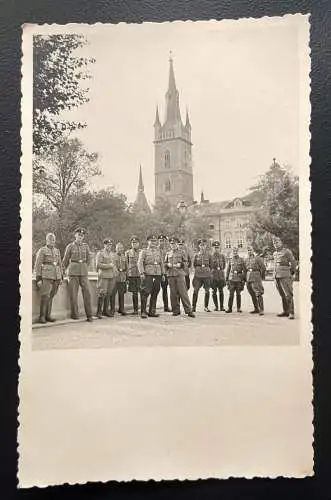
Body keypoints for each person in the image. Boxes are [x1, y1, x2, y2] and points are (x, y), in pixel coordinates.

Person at [62, 227, 93, 322]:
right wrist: (63, 272)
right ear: (75, 235)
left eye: (82, 235)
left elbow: (89, 259)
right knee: (73, 294)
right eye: (79, 235)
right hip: (73, 272)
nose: (80, 237)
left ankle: (89, 315)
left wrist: (84, 267)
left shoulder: (86, 246)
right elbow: (65, 261)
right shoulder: (70, 246)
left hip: (83, 272)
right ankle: (75, 315)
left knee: (87, 293)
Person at [34, 232, 63, 323]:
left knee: (51, 296)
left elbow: (60, 265)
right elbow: (37, 265)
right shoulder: (42, 250)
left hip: (56, 277)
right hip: (46, 276)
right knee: (45, 296)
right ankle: (42, 316)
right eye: (50, 239)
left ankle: (48, 315)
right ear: (46, 240)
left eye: (53, 240)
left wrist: (61, 277)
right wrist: (38, 278)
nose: (52, 241)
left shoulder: (57, 251)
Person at [164, 237, 195, 317]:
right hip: (171, 275)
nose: (172, 245)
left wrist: (181, 264)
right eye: (171, 244)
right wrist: (167, 265)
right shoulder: (168, 253)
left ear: (176, 244)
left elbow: (186, 263)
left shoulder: (182, 252)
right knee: (173, 293)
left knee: (183, 293)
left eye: (174, 243)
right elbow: (164, 264)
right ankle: (175, 310)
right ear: (170, 244)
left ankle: (188, 310)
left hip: (180, 275)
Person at [137, 234, 165, 318]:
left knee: (155, 292)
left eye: (154, 241)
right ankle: (143, 312)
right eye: (151, 241)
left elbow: (161, 263)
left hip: (157, 274)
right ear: (148, 242)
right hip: (148, 274)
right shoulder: (144, 251)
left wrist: (163, 274)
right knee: (145, 292)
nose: (153, 243)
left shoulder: (158, 251)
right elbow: (140, 262)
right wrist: (142, 273)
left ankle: (152, 311)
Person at [272, 236, 297, 319]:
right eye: (274, 243)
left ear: (281, 242)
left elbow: (293, 262)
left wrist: (291, 272)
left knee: (288, 294)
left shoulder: (286, 252)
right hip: (277, 276)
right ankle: (285, 311)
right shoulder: (274, 253)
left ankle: (291, 312)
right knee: (282, 294)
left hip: (285, 275)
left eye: (277, 242)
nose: (275, 244)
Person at [95, 238, 118, 319]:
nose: (109, 246)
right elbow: (98, 265)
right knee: (102, 293)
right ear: (104, 245)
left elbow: (114, 265)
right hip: (104, 276)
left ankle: (105, 311)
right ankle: (98, 312)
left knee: (109, 293)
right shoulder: (100, 253)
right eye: (108, 245)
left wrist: (115, 272)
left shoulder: (112, 254)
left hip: (111, 276)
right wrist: (109, 266)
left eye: (111, 245)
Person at [192, 238, 213, 313]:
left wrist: (208, 273)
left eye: (203, 245)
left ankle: (206, 307)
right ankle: (193, 307)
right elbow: (194, 265)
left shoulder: (209, 255)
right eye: (201, 245)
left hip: (206, 275)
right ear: (199, 246)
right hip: (198, 275)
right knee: (195, 290)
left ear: (206, 246)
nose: (202, 247)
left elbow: (211, 265)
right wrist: (198, 269)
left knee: (207, 291)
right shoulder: (196, 255)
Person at [245, 246, 266, 316]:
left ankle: (261, 309)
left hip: (256, 277)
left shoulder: (257, 258)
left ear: (253, 250)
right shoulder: (246, 259)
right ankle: (256, 308)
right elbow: (245, 269)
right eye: (248, 250)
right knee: (252, 294)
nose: (249, 251)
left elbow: (263, 268)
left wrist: (260, 276)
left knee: (258, 293)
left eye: (250, 250)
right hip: (248, 278)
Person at [225, 247, 246, 313]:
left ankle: (238, 308)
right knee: (231, 294)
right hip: (232, 279)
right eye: (234, 251)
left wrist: (243, 279)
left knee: (238, 294)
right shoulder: (230, 260)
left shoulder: (241, 260)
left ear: (238, 252)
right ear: (232, 252)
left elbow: (244, 270)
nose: (235, 252)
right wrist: (227, 279)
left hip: (239, 279)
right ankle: (229, 308)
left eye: (236, 251)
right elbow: (228, 270)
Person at [125, 235, 141, 315]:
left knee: (142, 292)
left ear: (138, 244)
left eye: (136, 243)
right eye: (133, 243)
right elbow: (126, 264)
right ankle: (135, 310)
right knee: (134, 293)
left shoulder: (142, 252)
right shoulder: (127, 253)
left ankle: (143, 309)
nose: (134, 244)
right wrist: (127, 276)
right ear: (131, 244)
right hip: (132, 275)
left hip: (140, 275)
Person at [112, 242, 128, 316]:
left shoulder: (124, 257)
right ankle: (112, 309)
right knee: (113, 294)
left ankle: (121, 309)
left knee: (121, 294)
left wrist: (126, 277)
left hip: (122, 277)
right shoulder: (113, 256)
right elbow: (113, 266)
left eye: (121, 248)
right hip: (115, 277)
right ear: (115, 249)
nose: (120, 249)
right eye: (118, 248)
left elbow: (127, 267)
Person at [210, 241, 226, 311]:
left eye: (218, 248)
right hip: (214, 276)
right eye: (215, 248)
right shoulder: (211, 256)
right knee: (214, 291)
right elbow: (210, 266)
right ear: (213, 248)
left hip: (220, 276)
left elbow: (224, 266)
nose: (216, 249)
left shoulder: (222, 256)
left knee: (221, 291)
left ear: (219, 248)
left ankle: (222, 306)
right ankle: (216, 306)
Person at [158, 234, 170, 312]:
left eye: (163, 241)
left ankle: (166, 307)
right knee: (154, 290)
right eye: (160, 241)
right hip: (156, 273)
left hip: (165, 273)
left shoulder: (167, 251)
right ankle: (152, 307)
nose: (162, 242)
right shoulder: (155, 250)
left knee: (165, 290)